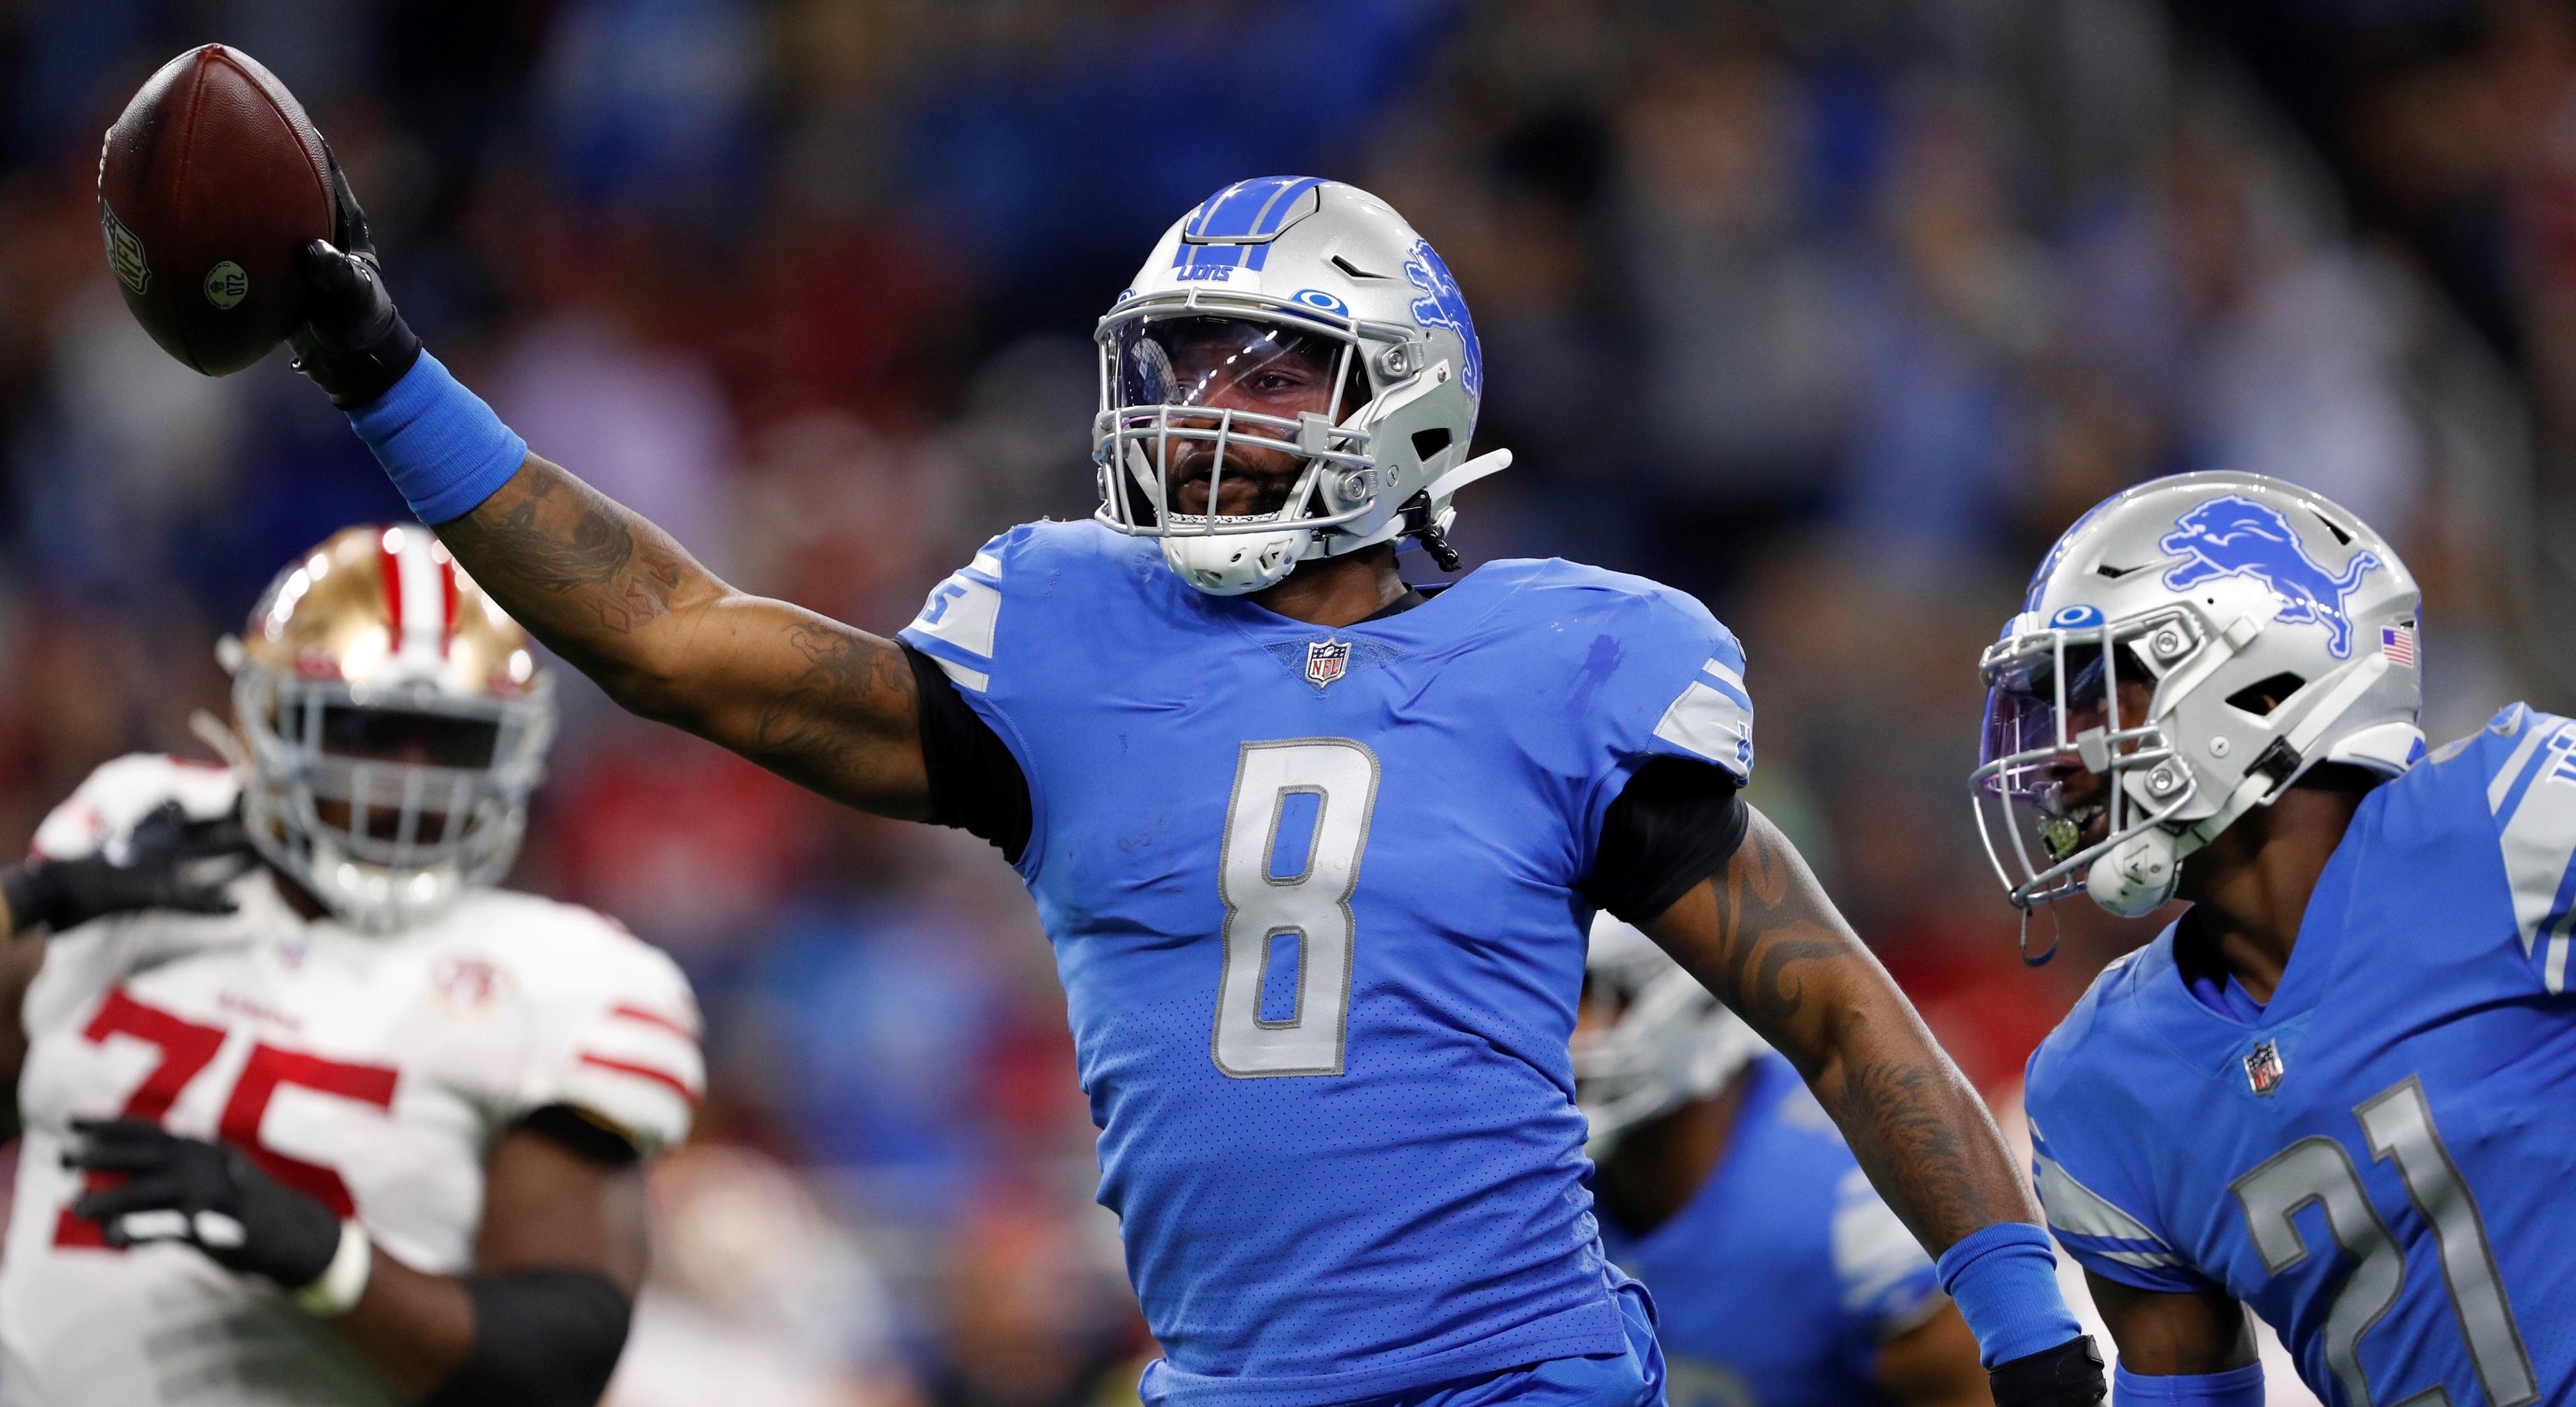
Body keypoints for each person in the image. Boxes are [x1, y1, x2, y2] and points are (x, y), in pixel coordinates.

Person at [264, 160, 2105, 1407]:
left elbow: (1834, 1002)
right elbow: (672, 635)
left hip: (1517, 1370)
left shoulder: (1565, 656)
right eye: (1176, 365)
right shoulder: (1065, 635)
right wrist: (384, 370)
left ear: (1413, 403)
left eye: (1272, 370)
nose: (1203, 410)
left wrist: (2024, 1312)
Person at [0, 524, 703, 1406]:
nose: (406, 778)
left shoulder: (563, 973)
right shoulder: (134, 820)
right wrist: (28, 904)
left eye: (448, 740)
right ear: (267, 716)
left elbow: (559, 1357)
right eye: (368, 728)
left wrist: (321, 1252)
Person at [1975, 470, 2571, 1407]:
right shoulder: (2099, 1084)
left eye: (2097, 690)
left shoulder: (2513, 819)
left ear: (2257, 678)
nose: (2061, 755)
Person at [1578, 914, 1994, 1407]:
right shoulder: (1525, 1177)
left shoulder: (1856, 1206)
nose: (1546, 1024)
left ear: (1693, 1000)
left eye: (1584, 991)